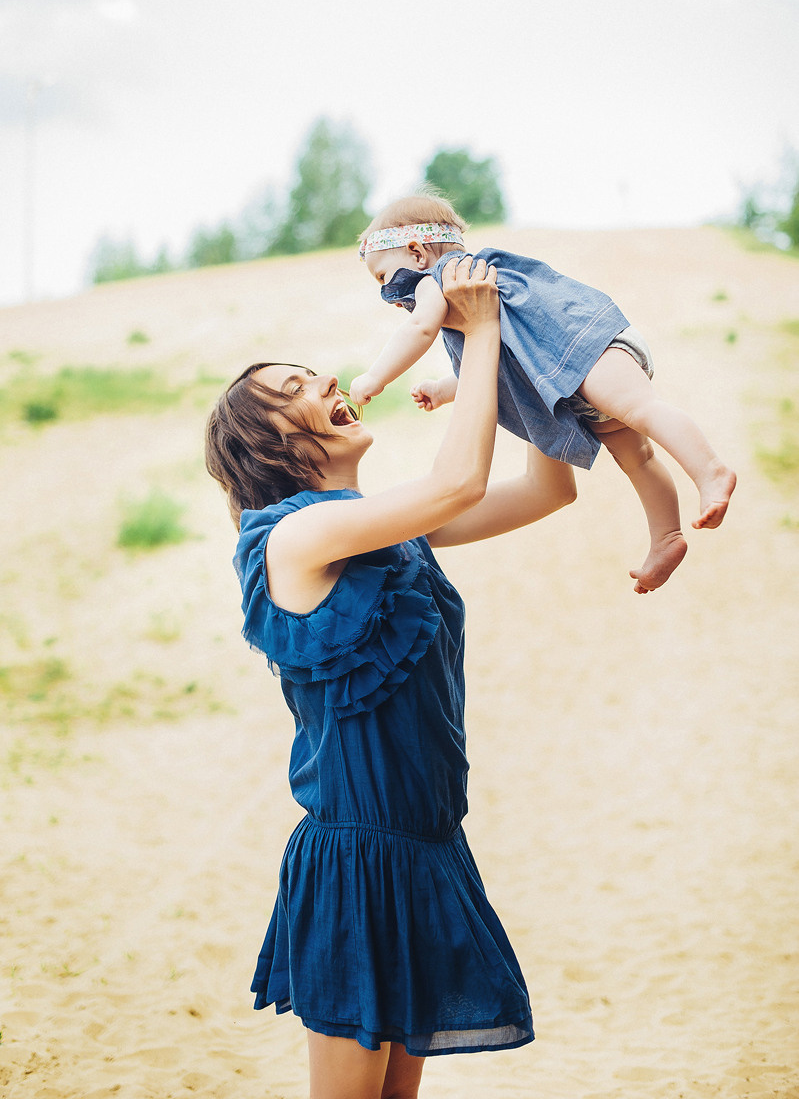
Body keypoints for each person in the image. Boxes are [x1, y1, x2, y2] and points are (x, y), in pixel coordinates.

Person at [205, 257, 575, 1099]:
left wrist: (501, 348)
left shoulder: (392, 533)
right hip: (355, 860)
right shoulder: (289, 541)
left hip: (428, 849)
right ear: (268, 440)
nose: (327, 379)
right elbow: (459, 481)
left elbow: (547, 488)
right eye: (296, 385)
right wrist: (476, 334)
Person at [349, 194, 737, 595]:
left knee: (643, 411)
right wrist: (445, 391)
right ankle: (667, 537)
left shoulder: (443, 277)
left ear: (416, 253)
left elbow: (419, 331)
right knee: (638, 458)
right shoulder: (467, 299)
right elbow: (494, 364)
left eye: (382, 277)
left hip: (586, 352)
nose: (388, 293)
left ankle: (709, 469)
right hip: (574, 384)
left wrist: (375, 377)